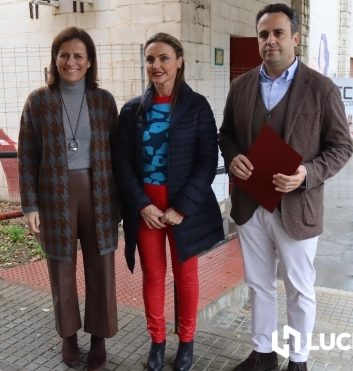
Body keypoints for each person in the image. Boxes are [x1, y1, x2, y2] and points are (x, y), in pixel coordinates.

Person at [218, 4, 353, 371]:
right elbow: (226, 134)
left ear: (295, 38)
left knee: (299, 288)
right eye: (264, 34)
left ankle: (298, 361)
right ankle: (263, 355)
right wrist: (232, 157)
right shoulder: (241, 87)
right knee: (259, 285)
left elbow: (342, 147)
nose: (270, 41)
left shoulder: (321, 89)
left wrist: (306, 174)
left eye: (278, 33)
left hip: (297, 207)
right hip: (250, 204)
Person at [112, 32, 224, 371]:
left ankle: (186, 343)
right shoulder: (132, 110)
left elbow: (208, 160)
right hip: (145, 211)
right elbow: (121, 162)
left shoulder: (198, 106)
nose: (156, 65)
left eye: (163, 58)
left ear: (179, 61)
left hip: (182, 212)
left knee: (186, 275)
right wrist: (141, 205)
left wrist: (182, 208)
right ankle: (157, 341)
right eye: (150, 59)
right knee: (152, 275)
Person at [17, 27, 119, 371]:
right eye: (64, 55)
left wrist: (120, 203)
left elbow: (117, 154)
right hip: (55, 195)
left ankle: (99, 338)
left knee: (101, 265)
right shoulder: (39, 101)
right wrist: (30, 205)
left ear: (89, 62)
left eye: (78, 56)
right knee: (62, 267)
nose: (70, 62)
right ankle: (69, 336)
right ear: (54, 59)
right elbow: (27, 156)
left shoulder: (104, 101)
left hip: (100, 191)